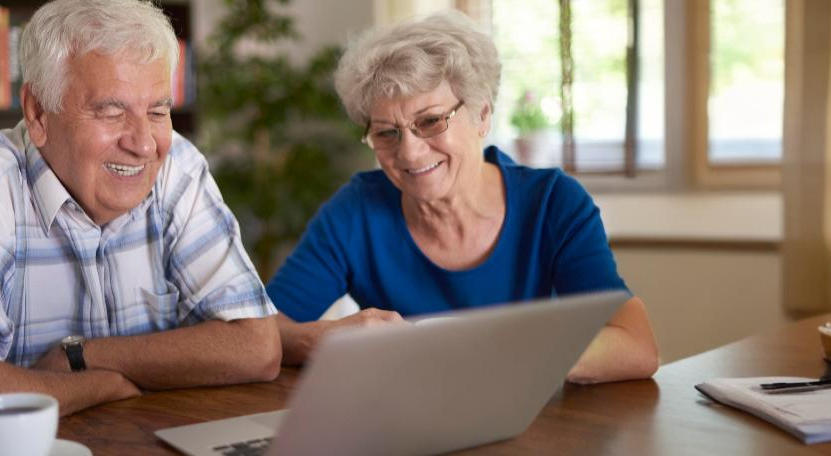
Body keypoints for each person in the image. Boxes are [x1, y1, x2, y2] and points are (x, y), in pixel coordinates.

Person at [0, 0, 279, 445]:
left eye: (157, 111)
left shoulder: (176, 164)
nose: (143, 144)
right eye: (111, 111)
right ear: (38, 115)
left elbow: (256, 346)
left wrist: (80, 357)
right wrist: (100, 384)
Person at [267, 11, 659, 384]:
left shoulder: (553, 203)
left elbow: (635, 345)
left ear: (482, 115)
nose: (409, 153)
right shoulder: (355, 212)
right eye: (387, 133)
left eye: (431, 121)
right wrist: (326, 339)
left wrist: (493, 355)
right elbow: (266, 332)